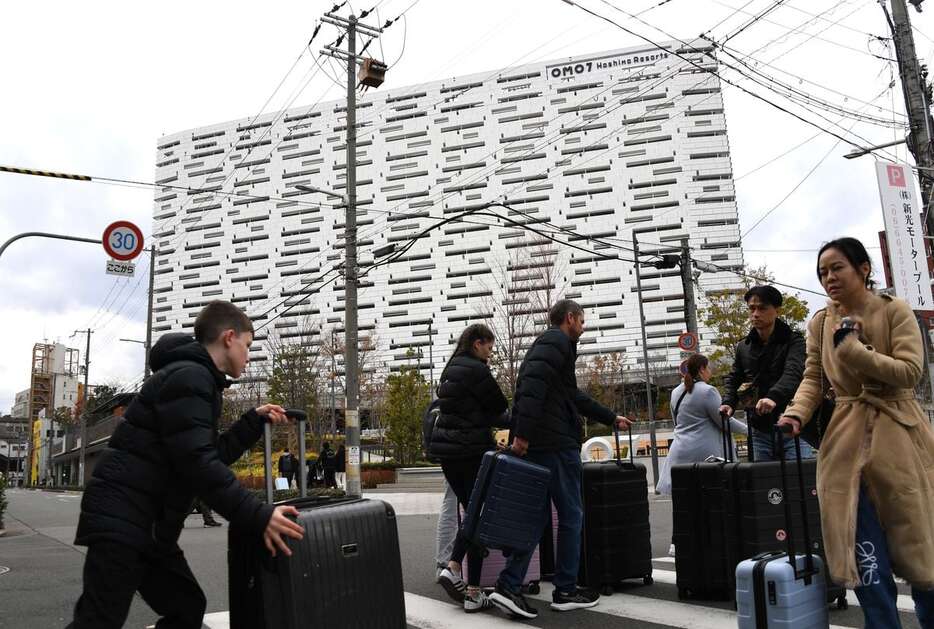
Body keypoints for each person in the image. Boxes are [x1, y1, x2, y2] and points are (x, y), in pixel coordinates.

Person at [67, 300, 305, 629]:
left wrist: (252, 421)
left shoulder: (196, 378)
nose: (249, 356)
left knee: (187, 607)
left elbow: (201, 455)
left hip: (148, 526)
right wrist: (257, 514)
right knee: (99, 621)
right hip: (125, 521)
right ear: (229, 337)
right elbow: (198, 463)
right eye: (248, 346)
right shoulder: (190, 378)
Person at [778, 237, 934, 628]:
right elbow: (813, 377)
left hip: (900, 432)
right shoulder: (820, 321)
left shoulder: (894, 310)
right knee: (861, 546)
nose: (828, 277)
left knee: (921, 547)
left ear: (863, 268)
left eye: (837, 268)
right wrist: (796, 412)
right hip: (845, 439)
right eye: (822, 272)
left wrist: (853, 351)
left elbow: (910, 372)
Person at [489, 299, 632, 620]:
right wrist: (521, 435)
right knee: (571, 515)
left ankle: (509, 584)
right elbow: (530, 387)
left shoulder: (555, 347)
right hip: (555, 445)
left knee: (537, 518)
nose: (583, 327)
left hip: (545, 442)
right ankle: (565, 589)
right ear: (570, 318)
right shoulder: (557, 341)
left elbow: (572, 396)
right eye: (582, 321)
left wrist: (610, 417)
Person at [429, 323, 511, 613]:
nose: (490, 352)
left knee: (473, 514)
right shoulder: (477, 370)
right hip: (470, 452)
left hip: (449, 455)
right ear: (477, 343)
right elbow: (498, 407)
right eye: (489, 347)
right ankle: (454, 566)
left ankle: (473, 592)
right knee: (478, 514)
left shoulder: (450, 368)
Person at [656, 353, 746, 556]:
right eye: (709, 368)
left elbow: (677, 422)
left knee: (682, 502)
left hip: (679, 453)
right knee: (709, 499)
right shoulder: (708, 391)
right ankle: (710, 540)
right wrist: (749, 430)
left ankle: (676, 542)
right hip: (704, 455)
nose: (711, 371)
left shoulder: (676, 392)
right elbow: (723, 421)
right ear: (702, 369)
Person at [720, 285, 813, 462]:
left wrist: (773, 396)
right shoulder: (743, 346)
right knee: (763, 486)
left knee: (798, 485)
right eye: (751, 308)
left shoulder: (795, 341)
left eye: (762, 308)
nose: (755, 314)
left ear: (777, 310)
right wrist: (728, 402)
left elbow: (793, 373)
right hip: (759, 431)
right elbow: (734, 377)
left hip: (792, 427)